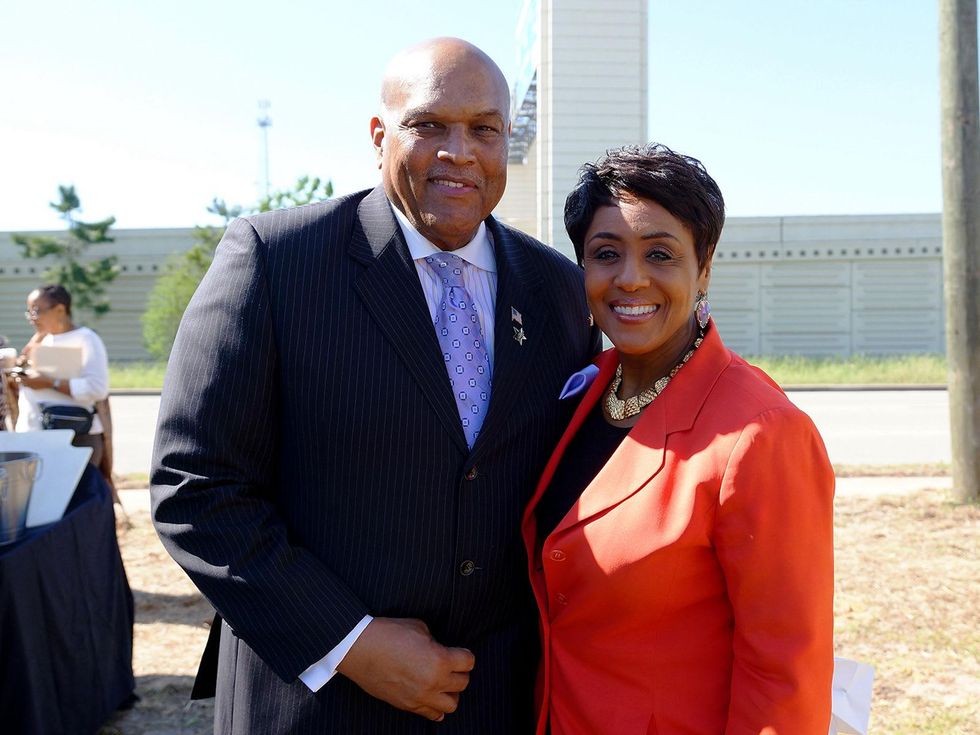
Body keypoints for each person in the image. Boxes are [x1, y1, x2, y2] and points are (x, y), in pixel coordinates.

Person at [150, 37, 599, 733]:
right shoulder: (275, 262)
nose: (460, 150)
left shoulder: (560, 291)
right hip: (318, 700)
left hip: (496, 701)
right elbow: (197, 486)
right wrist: (351, 641)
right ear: (378, 135)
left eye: (485, 128)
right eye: (429, 125)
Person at [521, 144, 835, 734]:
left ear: (705, 265)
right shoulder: (580, 395)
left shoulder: (760, 434)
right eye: (605, 254)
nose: (630, 278)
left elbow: (785, 676)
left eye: (660, 254)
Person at [14, 284, 111, 467]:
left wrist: (51, 383)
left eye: (36, 311)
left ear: (60, 310)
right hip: (37, 436)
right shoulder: (42, 340)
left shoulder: (86, 338)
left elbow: (97, 388)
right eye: (29, 312)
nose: (32, 318)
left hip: (76, 438)